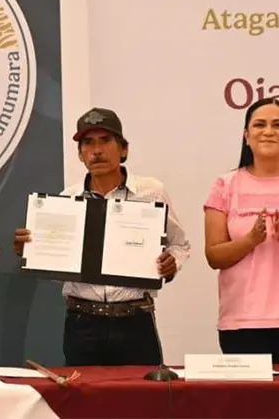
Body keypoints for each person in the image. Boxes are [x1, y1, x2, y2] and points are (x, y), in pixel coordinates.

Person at [14, 108, 190, 366]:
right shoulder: (66, 200)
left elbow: (179, 244)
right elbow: (62, 268)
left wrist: (171, 263)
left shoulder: (151, 192)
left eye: (105, 140)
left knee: (142, 391)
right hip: (83, 323)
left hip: (135, 320)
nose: (97, 150)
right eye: (88, 143)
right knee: (84, 392)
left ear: (123, 149)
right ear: (80, 154)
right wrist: (34, 251)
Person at [204, 97, 279, 364]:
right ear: (246, 136)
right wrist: (251, 240)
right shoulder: (225, 184)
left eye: (277, 125)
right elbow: (214, 256)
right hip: (242, 324)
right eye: (260, 124)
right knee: (249, 394)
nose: (268, 131)